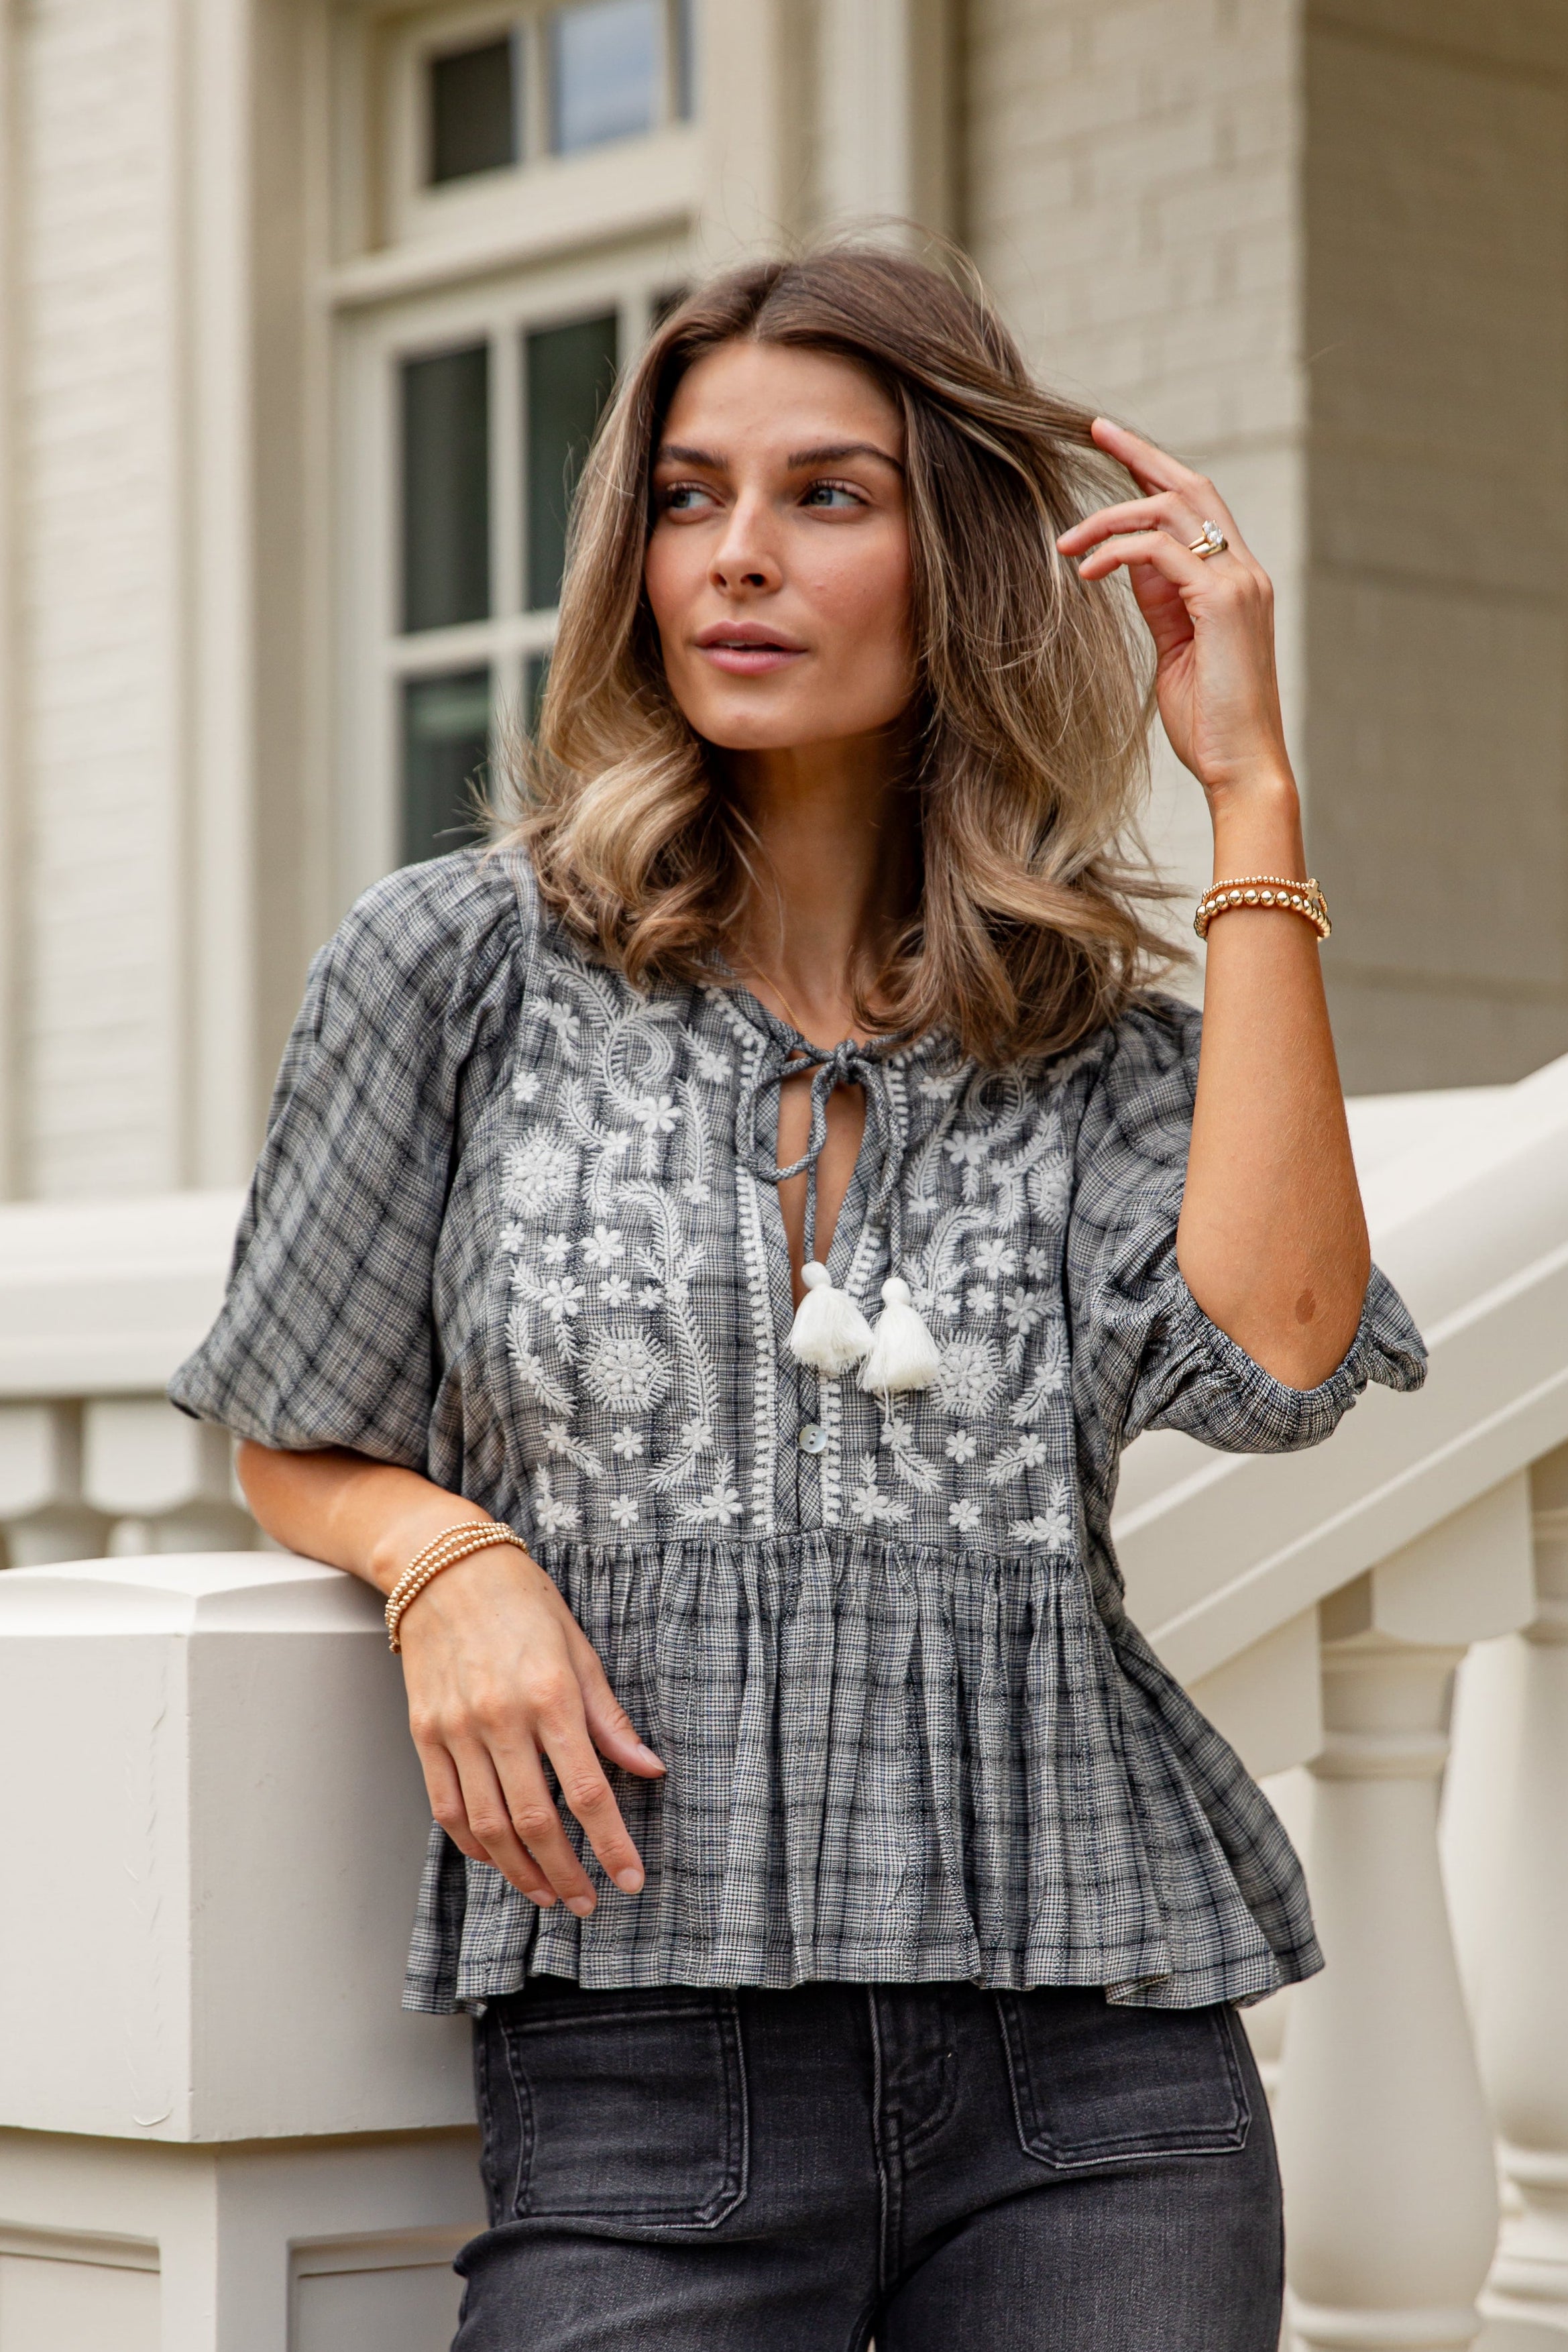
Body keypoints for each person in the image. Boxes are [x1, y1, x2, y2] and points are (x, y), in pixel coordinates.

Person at [170, 246, 1424, 2351]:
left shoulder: (1102, 1042)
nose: (735, 559)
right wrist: (444, 1554)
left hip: (1101, 2075)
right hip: (647, 2069)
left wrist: (1248, 794)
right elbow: (293, 1418)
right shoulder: (459, 963)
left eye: (826, 496)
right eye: (687, 497)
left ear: (957, 559)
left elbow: (1287, 1356)